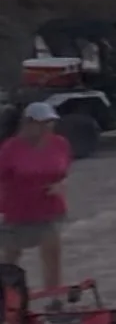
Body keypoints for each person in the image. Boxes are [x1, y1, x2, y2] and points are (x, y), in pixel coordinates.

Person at [0, 103, 71, 293]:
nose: (48, 127)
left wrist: (60, 185)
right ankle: (7, 302)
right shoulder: (11, 148)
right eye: (44, 123)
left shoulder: (59, 143)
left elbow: (63, 173)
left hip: (49, 208)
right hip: (18, 209)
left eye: (50, 122)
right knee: (10, 259)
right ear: (28, 123)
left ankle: (54, 297)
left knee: (52, 253)